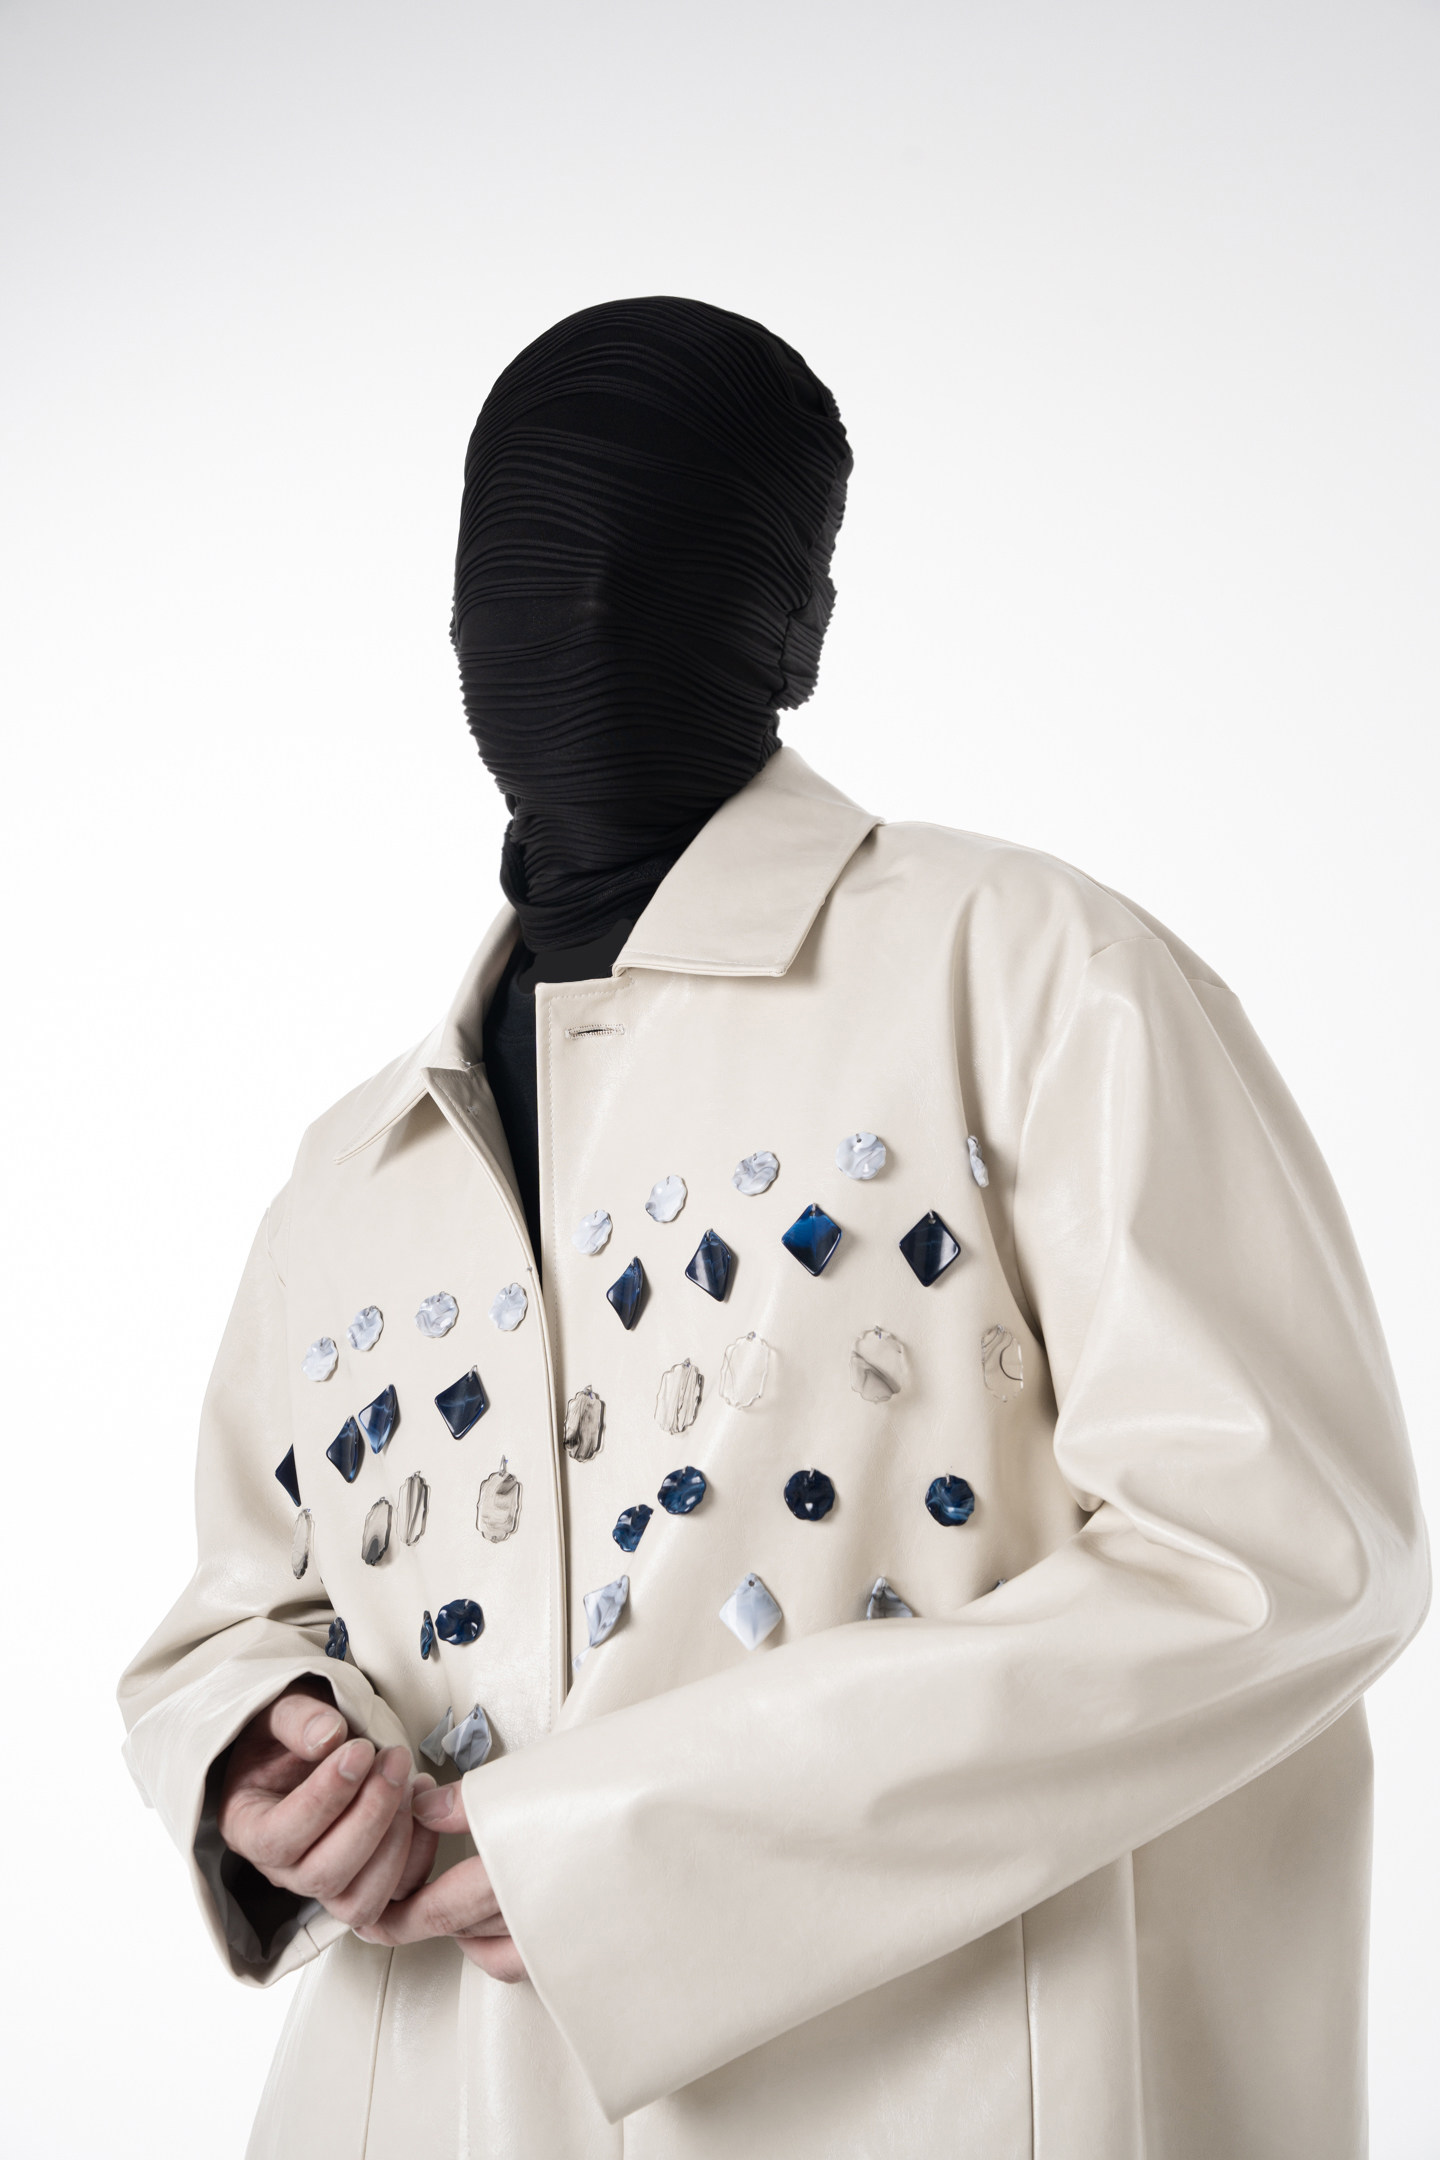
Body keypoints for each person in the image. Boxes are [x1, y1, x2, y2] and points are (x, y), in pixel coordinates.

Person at [119, 296, 1428, 2160]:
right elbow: (242, 1618)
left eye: (665, 559)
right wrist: (262, 1756)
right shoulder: (354, 1169)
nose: (576, 613)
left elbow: (1281, 1552)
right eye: (521, 558)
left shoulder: (1034, 977)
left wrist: (637, 1847)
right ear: (451, 614)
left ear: (801, 625)